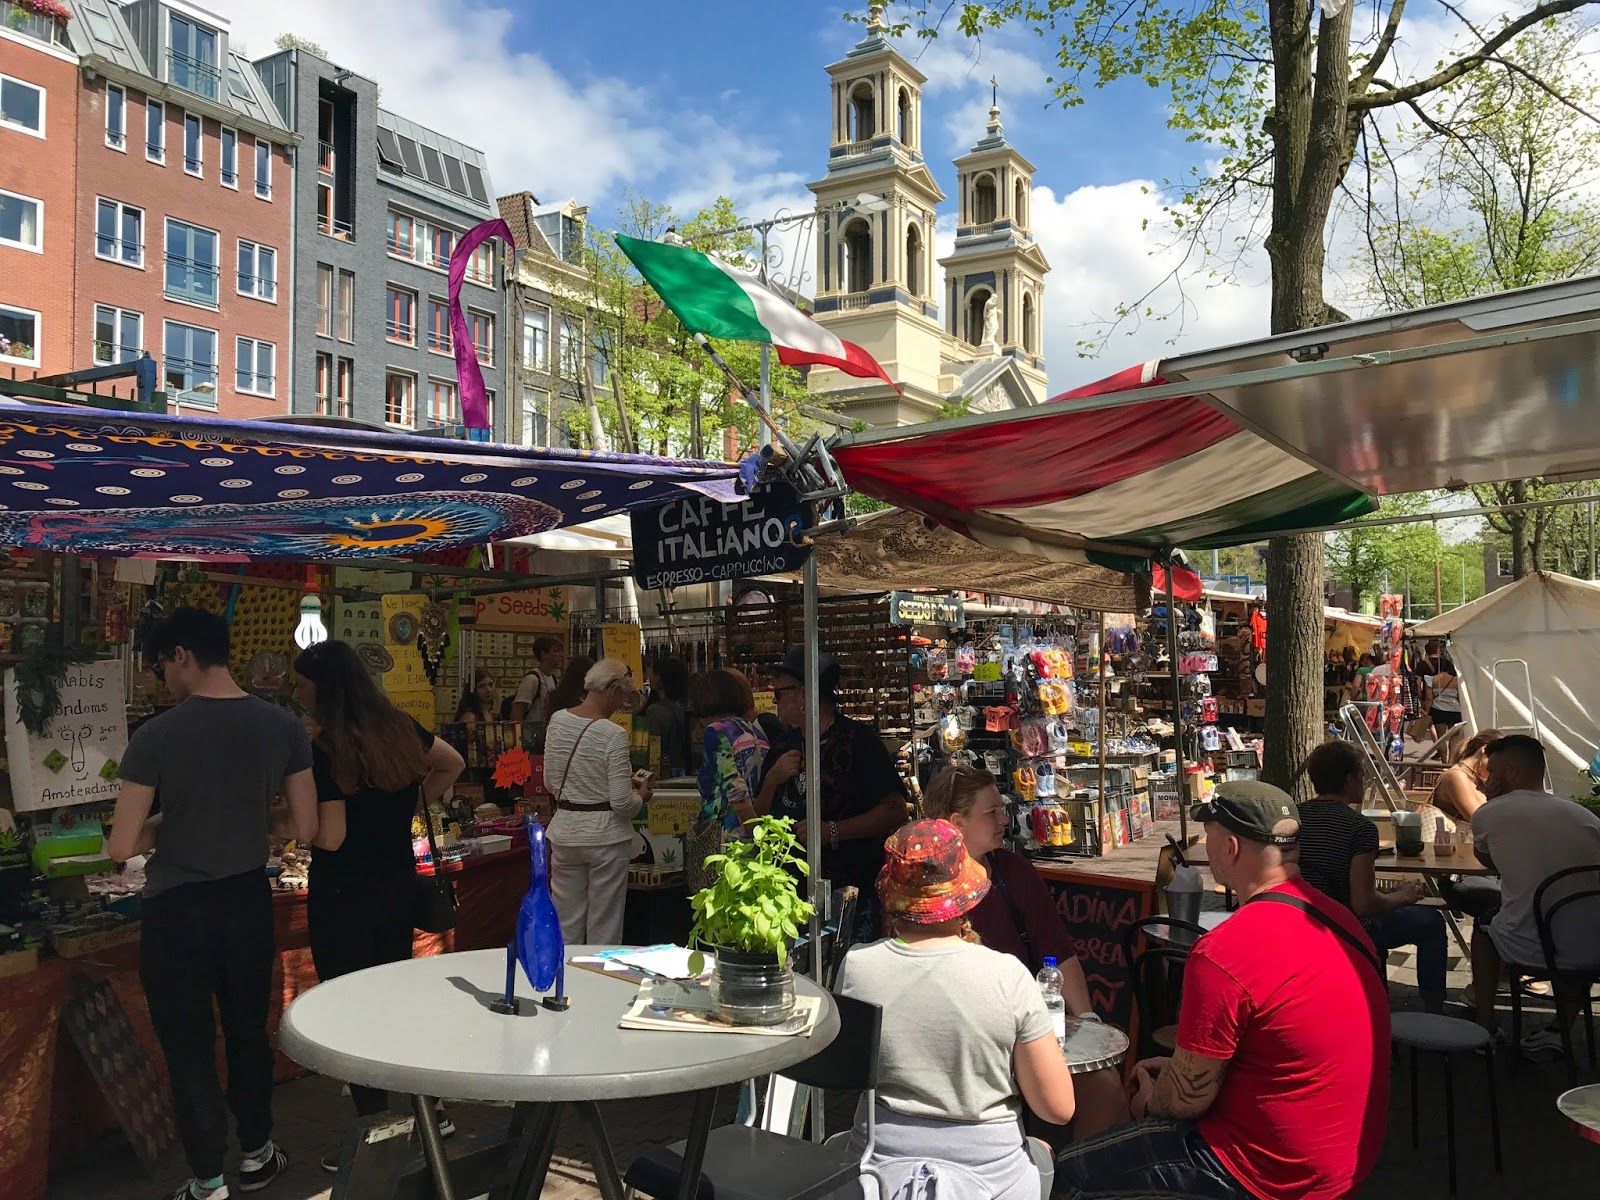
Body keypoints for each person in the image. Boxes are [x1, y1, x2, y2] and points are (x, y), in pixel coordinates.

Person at [1055, 783, 1389, 1200]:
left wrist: (1147, 1100)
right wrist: (1176, 1074)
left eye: (1208, 834)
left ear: (1230, 846)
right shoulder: (1339, 917)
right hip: (1347, 1153)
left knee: (1071, 1171)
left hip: (1270, 1169)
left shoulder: (1224, 951)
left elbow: (1183, 1102)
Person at [107, 608, 318, 1200]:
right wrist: (245, 817)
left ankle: (208, 1179)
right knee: (249, 1032)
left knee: (189, 1047)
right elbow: (303, 823)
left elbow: (121, 845)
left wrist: (166, 825)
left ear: (182, 656)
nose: (161, 679)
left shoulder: (156, 735)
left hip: (178, 913)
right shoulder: (284, 726)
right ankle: (257, 1154)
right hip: (247, 903)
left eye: (160, 665)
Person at [835, 819, 1075, 1200]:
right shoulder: (1008, 975)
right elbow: (1057, 1108)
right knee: (1043, 1151)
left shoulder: (857, 967)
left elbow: (850, 1071)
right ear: (966, 896)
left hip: (879, 1174)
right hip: (992, 1180)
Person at [291, 641, 465, 1161]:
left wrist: (296, 826)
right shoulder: (397, 727)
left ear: (325, 689)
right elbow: (451, 763)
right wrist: (404, 808)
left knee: (352, 1008)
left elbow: (334, 837)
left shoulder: (326, 749)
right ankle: (433, 1109)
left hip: (344, 893)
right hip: (395, 884)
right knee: (394, 1001)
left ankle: (375, 1131)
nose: (299, 695)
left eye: (303, 686)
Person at [922, 764, 1128, 1141]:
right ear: (957, 822)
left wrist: (1088, 1022)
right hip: (957, 1035)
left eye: (1003, 808)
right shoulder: (926, 887)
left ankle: (1071, 1181)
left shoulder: (1013, 871)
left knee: (1104, 1086)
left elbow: (1056, 948)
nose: (1005, 819)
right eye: (992, 813)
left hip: (1027, 1024)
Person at [754, 647, 908, 940]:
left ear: (804, 695)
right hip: (788, 892)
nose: (776, 700)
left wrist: (832, 831)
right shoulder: (782, 744)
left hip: (850, 889)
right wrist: (772, 780)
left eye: (781, 693)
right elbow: (756, 819)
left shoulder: (858, 741)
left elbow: (895, 809)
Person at [1295, 741, 1448, 1012]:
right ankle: (1434, 1011)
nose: (1364, 782)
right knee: (1431, 923)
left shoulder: (1295, 817)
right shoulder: (1360, 827)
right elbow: (1364, 905)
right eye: (1362, 775)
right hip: (1347, 929)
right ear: (1349, 780)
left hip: (1302, 922)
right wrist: (1402, 897)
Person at [1468, 734, 1600, 1039]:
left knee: (1484, 927)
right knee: (1575, 923)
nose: (1488, 778)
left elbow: (1488, 861)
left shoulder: (1489, 813)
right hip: (1592, 946)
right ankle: (1560, 1031)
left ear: (1510, 771)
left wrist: (1491, 802)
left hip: (1533, 948)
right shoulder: (1585, 818)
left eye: (1491, 771)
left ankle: (1485, 1024)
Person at [544, 658, 651, 944]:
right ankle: (598, 982)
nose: (621, 704)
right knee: (605, 924)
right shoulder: (613, 734)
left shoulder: (557, 720)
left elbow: (551, 783)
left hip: (565, 832)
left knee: (565, 922)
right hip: (605, 837)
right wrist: (639, 796)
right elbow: (620, 802)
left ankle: (563, 982)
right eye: (624, 696)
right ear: (613, 689)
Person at [688, 668, 768, 890]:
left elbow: (733, 784)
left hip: (727, 832)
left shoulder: (717, 731)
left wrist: (750, 827)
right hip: (753, 826)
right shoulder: (755, 732)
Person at [1432, 728, 1502, 823]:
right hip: (1452, 837)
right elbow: (1480, 821)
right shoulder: (1456, 776)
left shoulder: (1476, 780)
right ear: (1485, 749)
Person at [510, 635, 565, 748]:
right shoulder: (532, 679)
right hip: (529, 739)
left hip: (545, 738)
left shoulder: (554, 679)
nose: (561, 655)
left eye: (561, 651)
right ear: (543, 654)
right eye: (555, 651)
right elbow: (518, 712)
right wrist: (519, 742)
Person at [644, 655, 691, 776]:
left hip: (665, 772)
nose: (650, 677)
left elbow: (654, 748)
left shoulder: (655, 711)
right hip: (688, 770)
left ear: (660, 678)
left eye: (654, 674)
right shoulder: (689, 707)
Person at [1430, 648, 1463, 740]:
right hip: (1455, 710)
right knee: (1455, 737)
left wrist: (1427, 709)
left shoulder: (1432, 679)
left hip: (1438, 709)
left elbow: (1429, 697)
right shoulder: (1456, 680)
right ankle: (1452, 755)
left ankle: (1444, 755)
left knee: (1441, 738)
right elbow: (1459, 697)